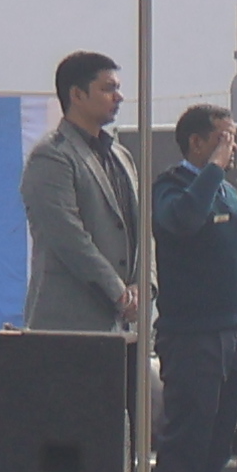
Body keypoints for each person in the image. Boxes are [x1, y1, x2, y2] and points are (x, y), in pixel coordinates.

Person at [148, 104, 237, 472]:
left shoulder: (226, 191)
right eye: (223, 138)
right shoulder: (171, 189)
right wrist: (212, 170)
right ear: (197, 142)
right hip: (191, 338)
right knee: (186, 446)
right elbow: (184, 221)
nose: (232, 147)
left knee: (216, 448)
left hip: (233, 335)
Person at [20, 50, 144, 338]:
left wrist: (143, 287)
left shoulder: (121, 156)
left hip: (120, 327)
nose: (119, 97)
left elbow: (142, 231)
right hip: (67, 324)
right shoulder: (52, 157)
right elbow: (68, 237)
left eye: (118, 88)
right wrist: (118, 292)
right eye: (108, 88)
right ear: (77, 95)